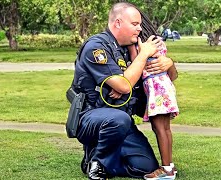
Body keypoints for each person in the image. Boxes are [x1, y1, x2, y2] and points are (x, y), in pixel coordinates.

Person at [71, 2, 177, 179]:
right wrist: (143, 55)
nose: (139, 29)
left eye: (140, 25)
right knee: (118, 119)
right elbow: (124, 85)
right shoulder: (97, 48)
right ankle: (97, 162)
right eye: (135, 24)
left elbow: (169, 77)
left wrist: (169, 64)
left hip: (122, 122)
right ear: (118, 23)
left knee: (146, 166)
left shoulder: (130, 50)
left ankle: (106, 162)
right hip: (93, 118)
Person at [128, 10, 179, 180]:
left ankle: (165, 170)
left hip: (156, 90)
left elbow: (136, 64)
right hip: (165, 87)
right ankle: (170, 166)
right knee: (165, 129)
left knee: (159, 129)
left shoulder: (139, 44)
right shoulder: (158, 42)